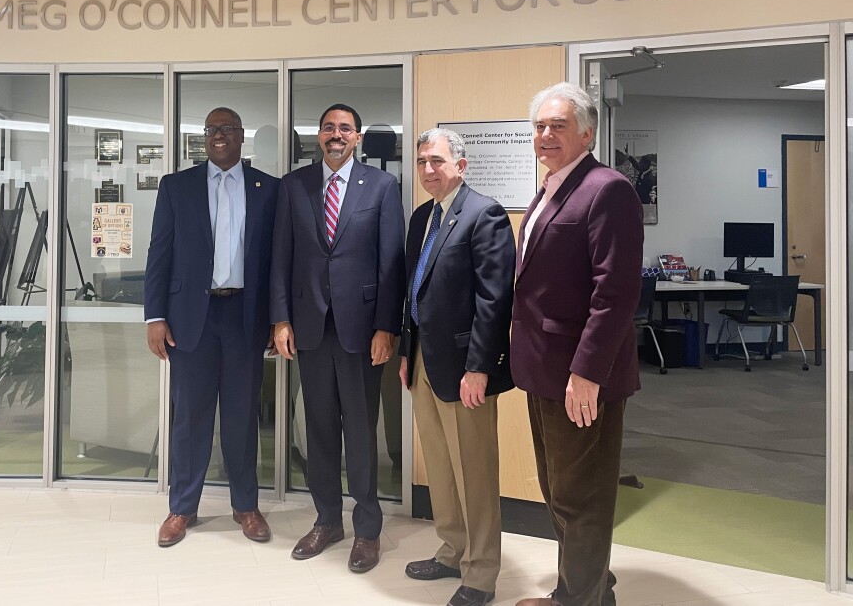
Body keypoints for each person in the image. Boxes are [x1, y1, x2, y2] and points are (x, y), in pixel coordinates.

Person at [512, 83, 644, 606]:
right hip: (544, 370)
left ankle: (577, 599)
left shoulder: (606, 189)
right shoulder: (550, 188)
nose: (546, 135)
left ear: (587, 132)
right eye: (540, 126)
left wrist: (587, 372)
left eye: (558, 126)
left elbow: (615, 293)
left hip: (580, 377)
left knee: (580, 496)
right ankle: (591, 587)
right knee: (558, 490)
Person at [271, 103, 405, 573]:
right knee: (320, 429)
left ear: (358, 136)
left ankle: (367, 528)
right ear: (319, 135)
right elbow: (280, 258)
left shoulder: (383, 186)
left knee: (361, 433)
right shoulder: (295, 186)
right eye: (328, 127)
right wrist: (281, 319)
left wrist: (387, 327)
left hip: (362, 330)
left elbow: (393, 265)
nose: (335, 135)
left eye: (344, 128)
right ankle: (327, 520)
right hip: (310, 328)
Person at [144, 107, 279, 547]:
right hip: (189, 321)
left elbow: (279, 263)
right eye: (211, 130)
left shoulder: (268, 190)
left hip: (245, 317)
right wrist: (155, 316)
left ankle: (246, 506)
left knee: (242, 418)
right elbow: (158, 254)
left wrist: (279, 319)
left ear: (242, 136)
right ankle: (182, 508)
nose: (219, 136)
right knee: (189, 418)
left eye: (227, 129)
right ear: (204, 138)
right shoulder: (176, 187)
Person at [399, 129, 515, 606]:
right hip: (425, 356)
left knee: (475, 470)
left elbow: (495, 299)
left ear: (461, 166)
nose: (429, 170)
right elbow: (414, 289)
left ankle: (481, 574)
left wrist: (480, 367)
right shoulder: (422, 216)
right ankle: (452, 550)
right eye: (422, 161)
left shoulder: (483, 214)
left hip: (466, 366)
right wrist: (408, 351)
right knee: (441, 466)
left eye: (438, 161)